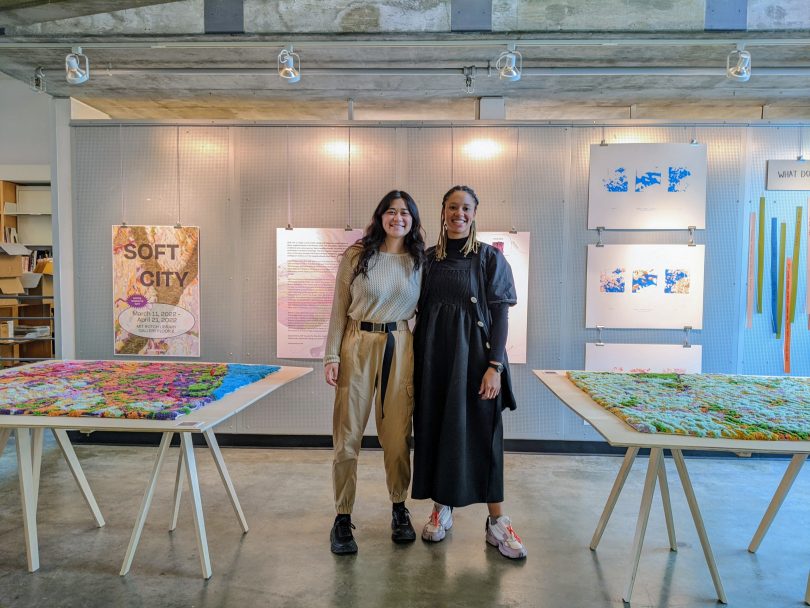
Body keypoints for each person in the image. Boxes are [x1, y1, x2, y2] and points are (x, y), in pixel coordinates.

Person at [411, 185, 526, 559]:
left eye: (465, 208)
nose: (458, 213)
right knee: (437, 431)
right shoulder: (428, 259)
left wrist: (495, 366)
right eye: (452, 207)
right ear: (442, 211)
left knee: (484, 436)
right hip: (434, 361)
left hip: (477, 361)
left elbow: (501, 316)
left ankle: (497, 521)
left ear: (474, 214)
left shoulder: (489, 258)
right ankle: (442, 507)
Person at [324, 190, 425, 555]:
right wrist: (331, 355)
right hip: (357, 342)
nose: (398, 218)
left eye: (405, 212)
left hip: (400, 343)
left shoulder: (419, 260)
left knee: (397, 436)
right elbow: (339, 307)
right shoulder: (356, 255)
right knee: (347, 435)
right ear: (380, 216)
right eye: (391, 211)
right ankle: (342, 516)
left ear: (413, 219)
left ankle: (399, 508)